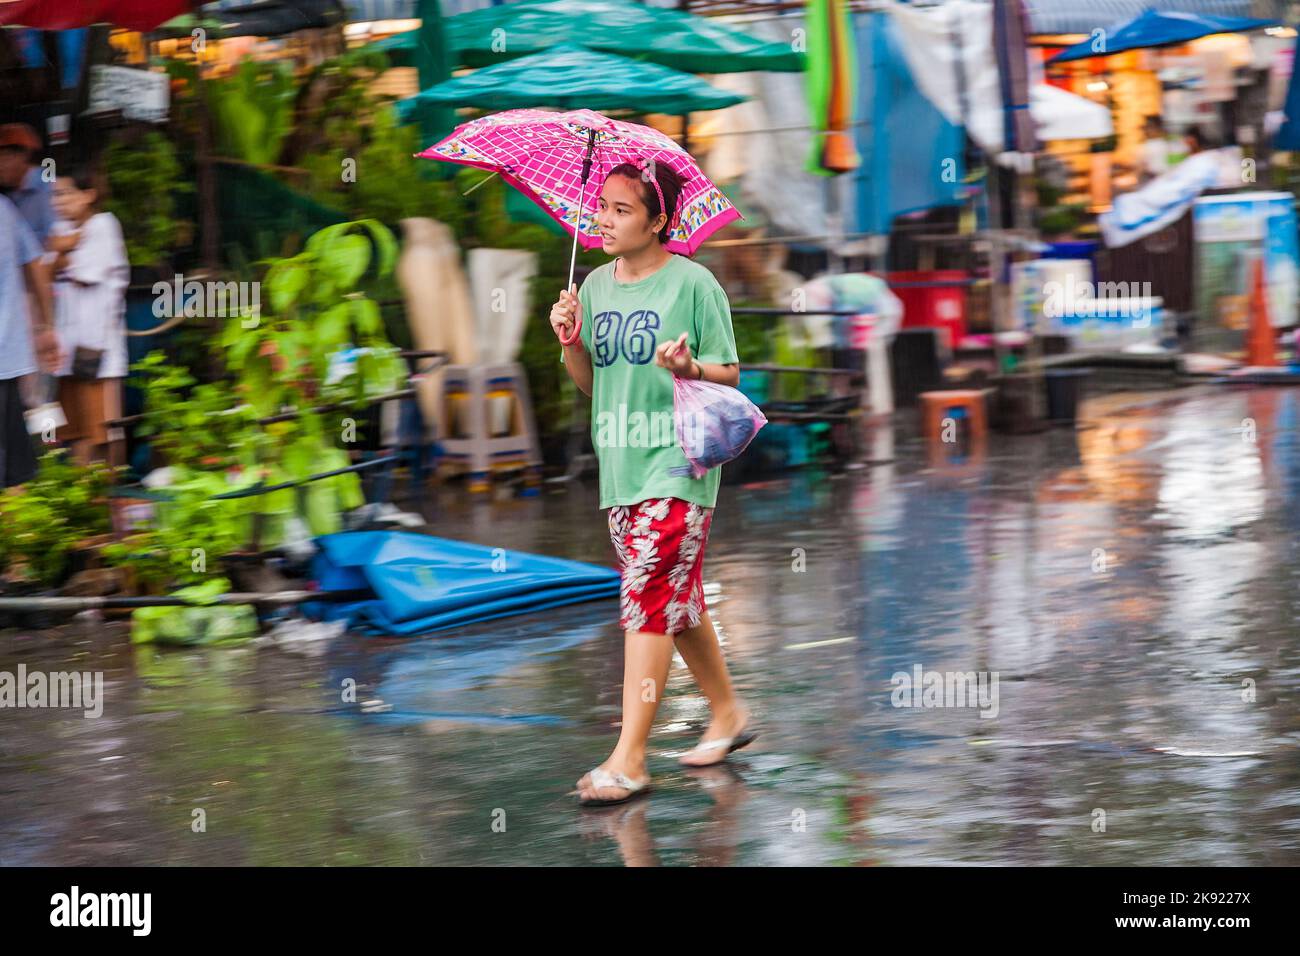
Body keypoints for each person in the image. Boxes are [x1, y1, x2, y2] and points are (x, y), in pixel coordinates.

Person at [553, 158, 755, 807]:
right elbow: (592, 385)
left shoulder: (695, 286)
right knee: (676, 602)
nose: (603, 219)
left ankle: (630, 756)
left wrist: (689, 364)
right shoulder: (592, 288)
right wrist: (569, 342)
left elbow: (730, 373)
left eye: (621, 209)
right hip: (620, 468)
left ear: (659, 219)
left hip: (677, 468)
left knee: (646, 601)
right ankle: (727, 713)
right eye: (601, 206)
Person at [48, 165, 129, 466]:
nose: (58, 202)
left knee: (105, 431)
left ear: (89, 194)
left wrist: (60, 253)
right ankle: (84, 501)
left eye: (66, 194)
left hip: (98, 349)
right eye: (55, 195)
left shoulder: (104, 225)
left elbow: (84, 273)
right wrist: (61, 250)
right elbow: (45, 268)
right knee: (75, 432)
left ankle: (109, 499)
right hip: (65, 349)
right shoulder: (60, 229)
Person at [0, 193, 60, 487]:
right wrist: (46, 326)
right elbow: (35, 263)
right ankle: (25, 529)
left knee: (14, 462)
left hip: (9, 355)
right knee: (14, 467)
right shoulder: (5, 208)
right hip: (8, 355)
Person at [0, 123, 54, 244]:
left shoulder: (47, 185)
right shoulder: (9, 195)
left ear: (23, 155)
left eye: (3, 158)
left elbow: (58, 239)